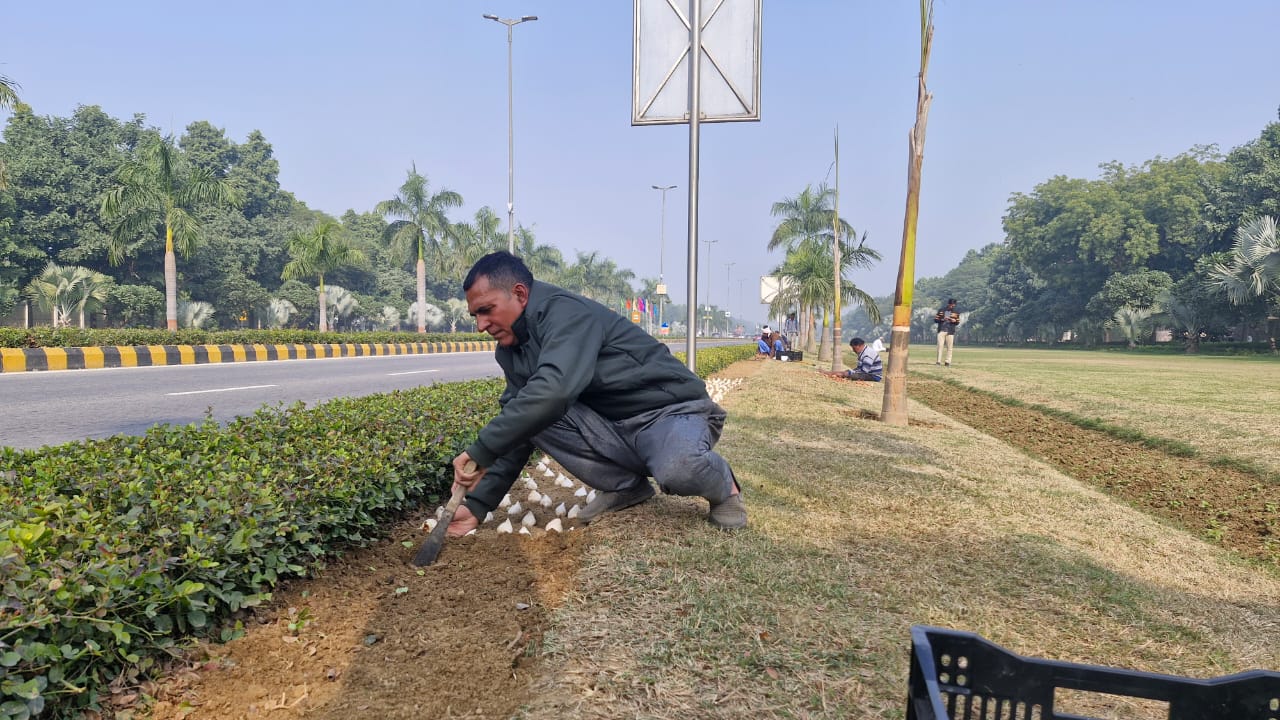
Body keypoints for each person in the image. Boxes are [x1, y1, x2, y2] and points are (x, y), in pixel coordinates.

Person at [445, 251, 747, 537]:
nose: (481, 325)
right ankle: (626, 486)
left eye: (487, 310)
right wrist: (477, 505)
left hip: (669, 415)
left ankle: (725, 488)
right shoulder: (513, 350)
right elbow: (520, 425)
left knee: (679, 469)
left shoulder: (565, 313)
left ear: (520, 294)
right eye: (475, 315)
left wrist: (481, 450)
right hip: (613, 429)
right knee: (528, 412)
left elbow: (555, 389)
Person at [934, 298, 960, 366]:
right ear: (948, 304)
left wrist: (954, 321)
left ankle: (947, 362)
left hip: (950, 331)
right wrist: (942, 319)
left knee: (949, 347)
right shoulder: (941, 310)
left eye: (953, 305)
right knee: (940, 346)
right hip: (941, 330)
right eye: (951, 305)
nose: (952, 306)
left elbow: (957, 322)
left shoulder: (956, 312)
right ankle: (938, 361)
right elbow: (936, 320)